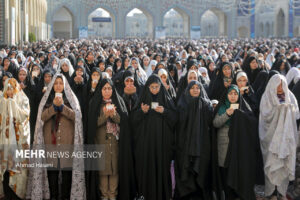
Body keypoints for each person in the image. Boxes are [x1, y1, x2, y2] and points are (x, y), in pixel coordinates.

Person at [26, 74, 85, 200]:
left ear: (64, 85)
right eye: (56, 83)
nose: (58, 86)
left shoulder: (71, 99)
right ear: (52, 85)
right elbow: (41, 117)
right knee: (52, 177)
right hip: (50, 146)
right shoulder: (46, 99)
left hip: (67, 145)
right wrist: (53, 107)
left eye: (61, 83)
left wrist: (63, 107)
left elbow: (77, 117)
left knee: (66, 178)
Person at [87, 78, 136, 200]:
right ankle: (104, 196)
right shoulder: (95, 103)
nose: (107, 91)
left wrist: (113, 115)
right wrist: (105, 116)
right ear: (100, 90)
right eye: (105, 88)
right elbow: (92, 124)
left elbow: (124, 122)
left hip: (115, 144)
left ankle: (113, 196)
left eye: (109, 88)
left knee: (114, 171)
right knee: (103, 173)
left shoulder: (118, 102)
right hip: (100, 144)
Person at [213, 84, 263, 200]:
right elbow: (215, 123)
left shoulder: (243, 106)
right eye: (230, 94)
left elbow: (252, 122)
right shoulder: (221, 107)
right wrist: (227, 114)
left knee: (238, 171)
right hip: (224, 146)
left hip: (239, 147)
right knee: (225, 172)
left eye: (235, 94)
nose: (233, 96)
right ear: (226, 95)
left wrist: (241, 116)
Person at [131, 74, 177, 200]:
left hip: (162, 145)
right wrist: (142, 112)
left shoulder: (166, 100)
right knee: (147, 170)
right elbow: (133, 121)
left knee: (162, 170)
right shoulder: (142, 100)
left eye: (157, 87)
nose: (155, 90)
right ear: (148, 87)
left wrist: (165, 112)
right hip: (145, 145)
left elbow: (175, 119)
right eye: (152, 87)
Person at [259, 74, 299, 200]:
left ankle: (281, 192)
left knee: (283, 165)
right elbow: (265, 116)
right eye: (278, 85)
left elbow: (297, 114)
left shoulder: (290, 96)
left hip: (286, 138)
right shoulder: (266, 97)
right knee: (271, 165)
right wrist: (279, 110)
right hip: (271, 139)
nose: (280, 88)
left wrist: (288, 109)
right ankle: (271, 193)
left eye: (282, 85)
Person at [175, 80, 213, 199]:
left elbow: (210, 122)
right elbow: (178, 124)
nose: (195, 90)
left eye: (198, 88)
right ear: (188, 90)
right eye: (193, 88)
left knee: (201, 167)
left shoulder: (207, 104)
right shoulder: (182, 103)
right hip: (185, 143)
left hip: (202, 143)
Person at [0, 78, 30, 200]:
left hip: (17, 141)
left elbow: (25, 116)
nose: (10, 91)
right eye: (7, 88)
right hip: (4, 141)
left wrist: (13, 105)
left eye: (12, 88)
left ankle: (17, 194)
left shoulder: (23, 99)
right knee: (5, 167)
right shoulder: (1, 100)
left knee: (18, 168)